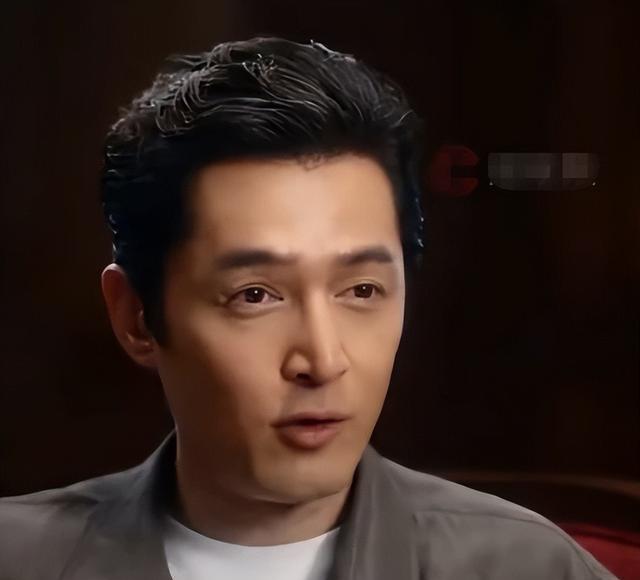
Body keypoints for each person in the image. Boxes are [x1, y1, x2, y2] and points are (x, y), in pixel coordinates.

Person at [0, 36, 617, 580]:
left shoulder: (529, 568)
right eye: (255, 295)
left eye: (362, 291)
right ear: (136, 318)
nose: (322, 360)